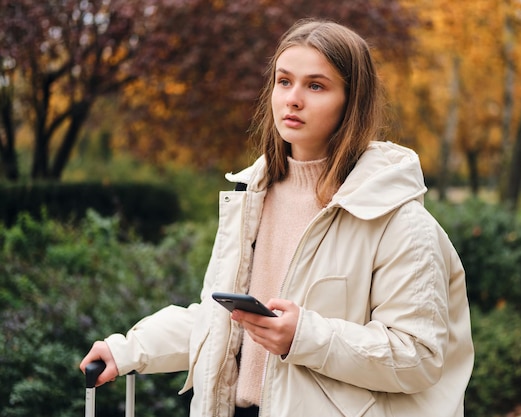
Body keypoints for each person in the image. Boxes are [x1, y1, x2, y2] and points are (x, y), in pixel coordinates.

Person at [80, 18, 474, 417]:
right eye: (284, 82)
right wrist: (128, 349)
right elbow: (225, 324)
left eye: (315, 85)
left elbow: (417, 356)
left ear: (352, 101)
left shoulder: (395, 216)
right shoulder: (250, 196)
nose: (293, 99)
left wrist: (304, 336)